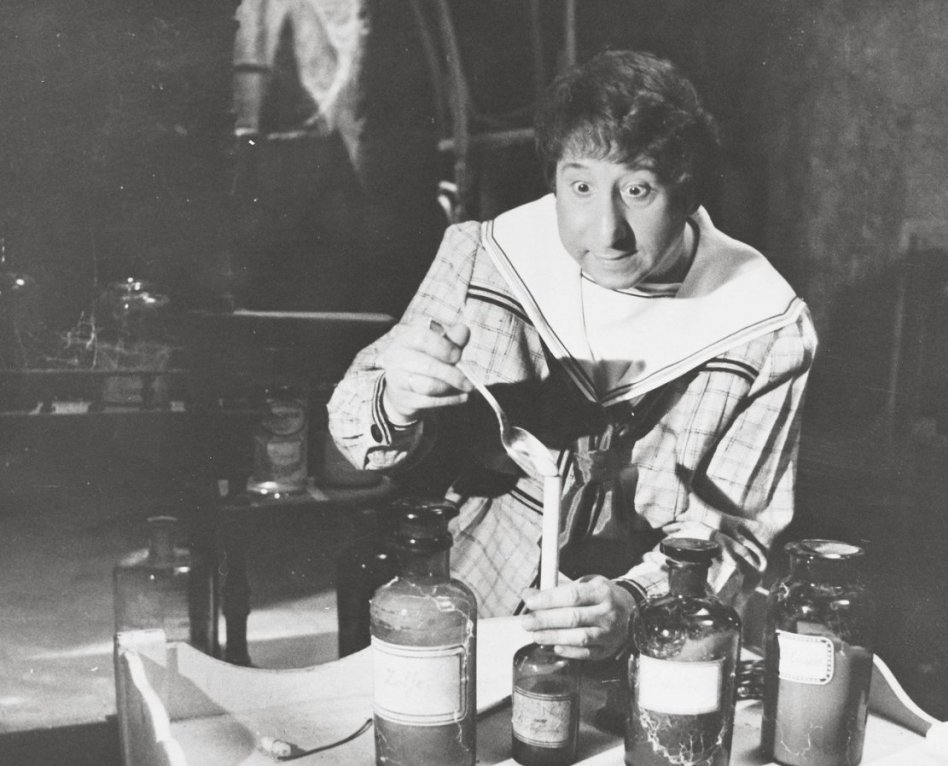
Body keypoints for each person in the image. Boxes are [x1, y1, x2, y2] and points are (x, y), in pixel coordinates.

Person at [328, 50, 816, 661]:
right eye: (580, 187)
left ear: (688, 189)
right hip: (465, 586)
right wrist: (396, 399)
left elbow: (734, 533)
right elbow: (354, 434)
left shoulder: (766, 326)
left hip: (647, 626)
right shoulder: (487, 258)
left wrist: (635, 606)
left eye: (638, 189)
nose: (606, 231)